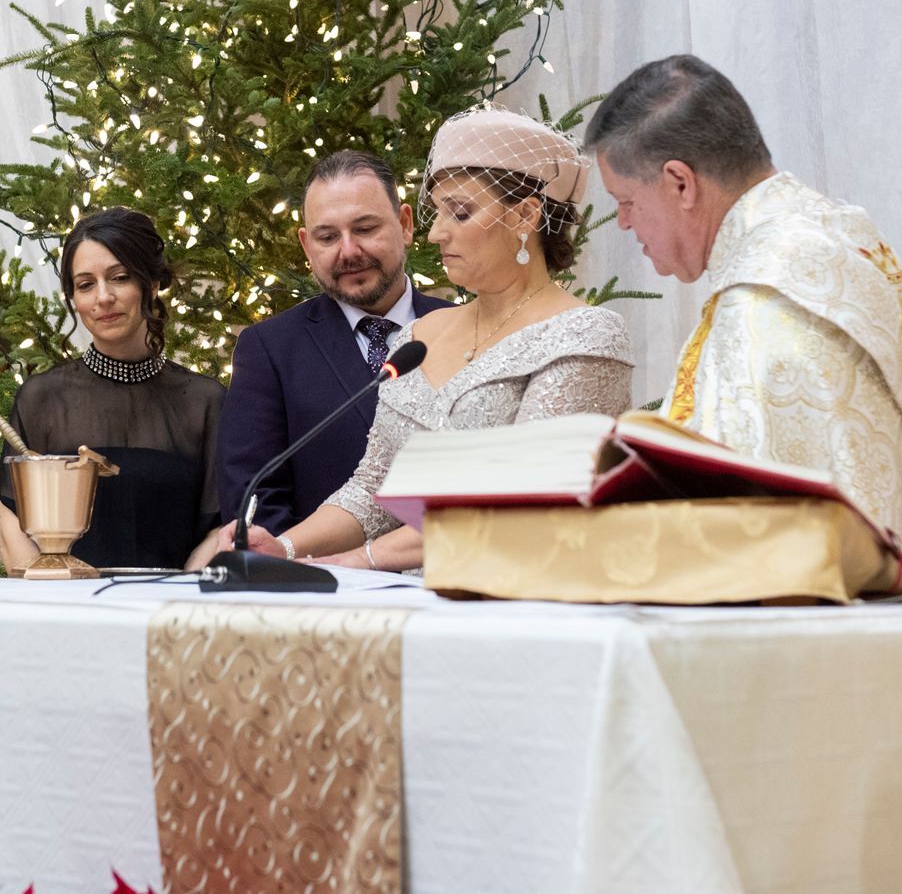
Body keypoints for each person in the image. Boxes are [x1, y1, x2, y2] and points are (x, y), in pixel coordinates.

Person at [207, 108, 634, 573]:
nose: (437, 232)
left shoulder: (585, 334)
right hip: (403, 604)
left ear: (526, 215)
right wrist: (286, 549)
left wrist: (358, 561)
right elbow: (372, 489)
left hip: (513, 601)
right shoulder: (418, 336)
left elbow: (523, 504)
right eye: (439, 210)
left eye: (461, 211)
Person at [584, 54, 902, 543]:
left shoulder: (762, 302)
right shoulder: (840, 235)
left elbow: (739, 528)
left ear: (680, 182)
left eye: (626, 201)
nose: (625, 223)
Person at [216, 150, 453, 534]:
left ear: (405, 224)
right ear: (307, 247)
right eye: (328, 237)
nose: (348, 251)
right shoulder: (269, 349)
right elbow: (255, 498)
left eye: (364, 229)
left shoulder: (467, 326)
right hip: (329, 584)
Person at [0, 208, 225, 571]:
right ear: (73, 299)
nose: (103, 297)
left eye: (119, 278)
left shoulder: (205, 402)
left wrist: (179, 597)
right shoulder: (41, 400)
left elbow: (220, 528)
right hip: (68, 615)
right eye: (86, 285)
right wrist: (55, 604)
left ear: (150, 284)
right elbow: (12, 525)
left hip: (171, 614)